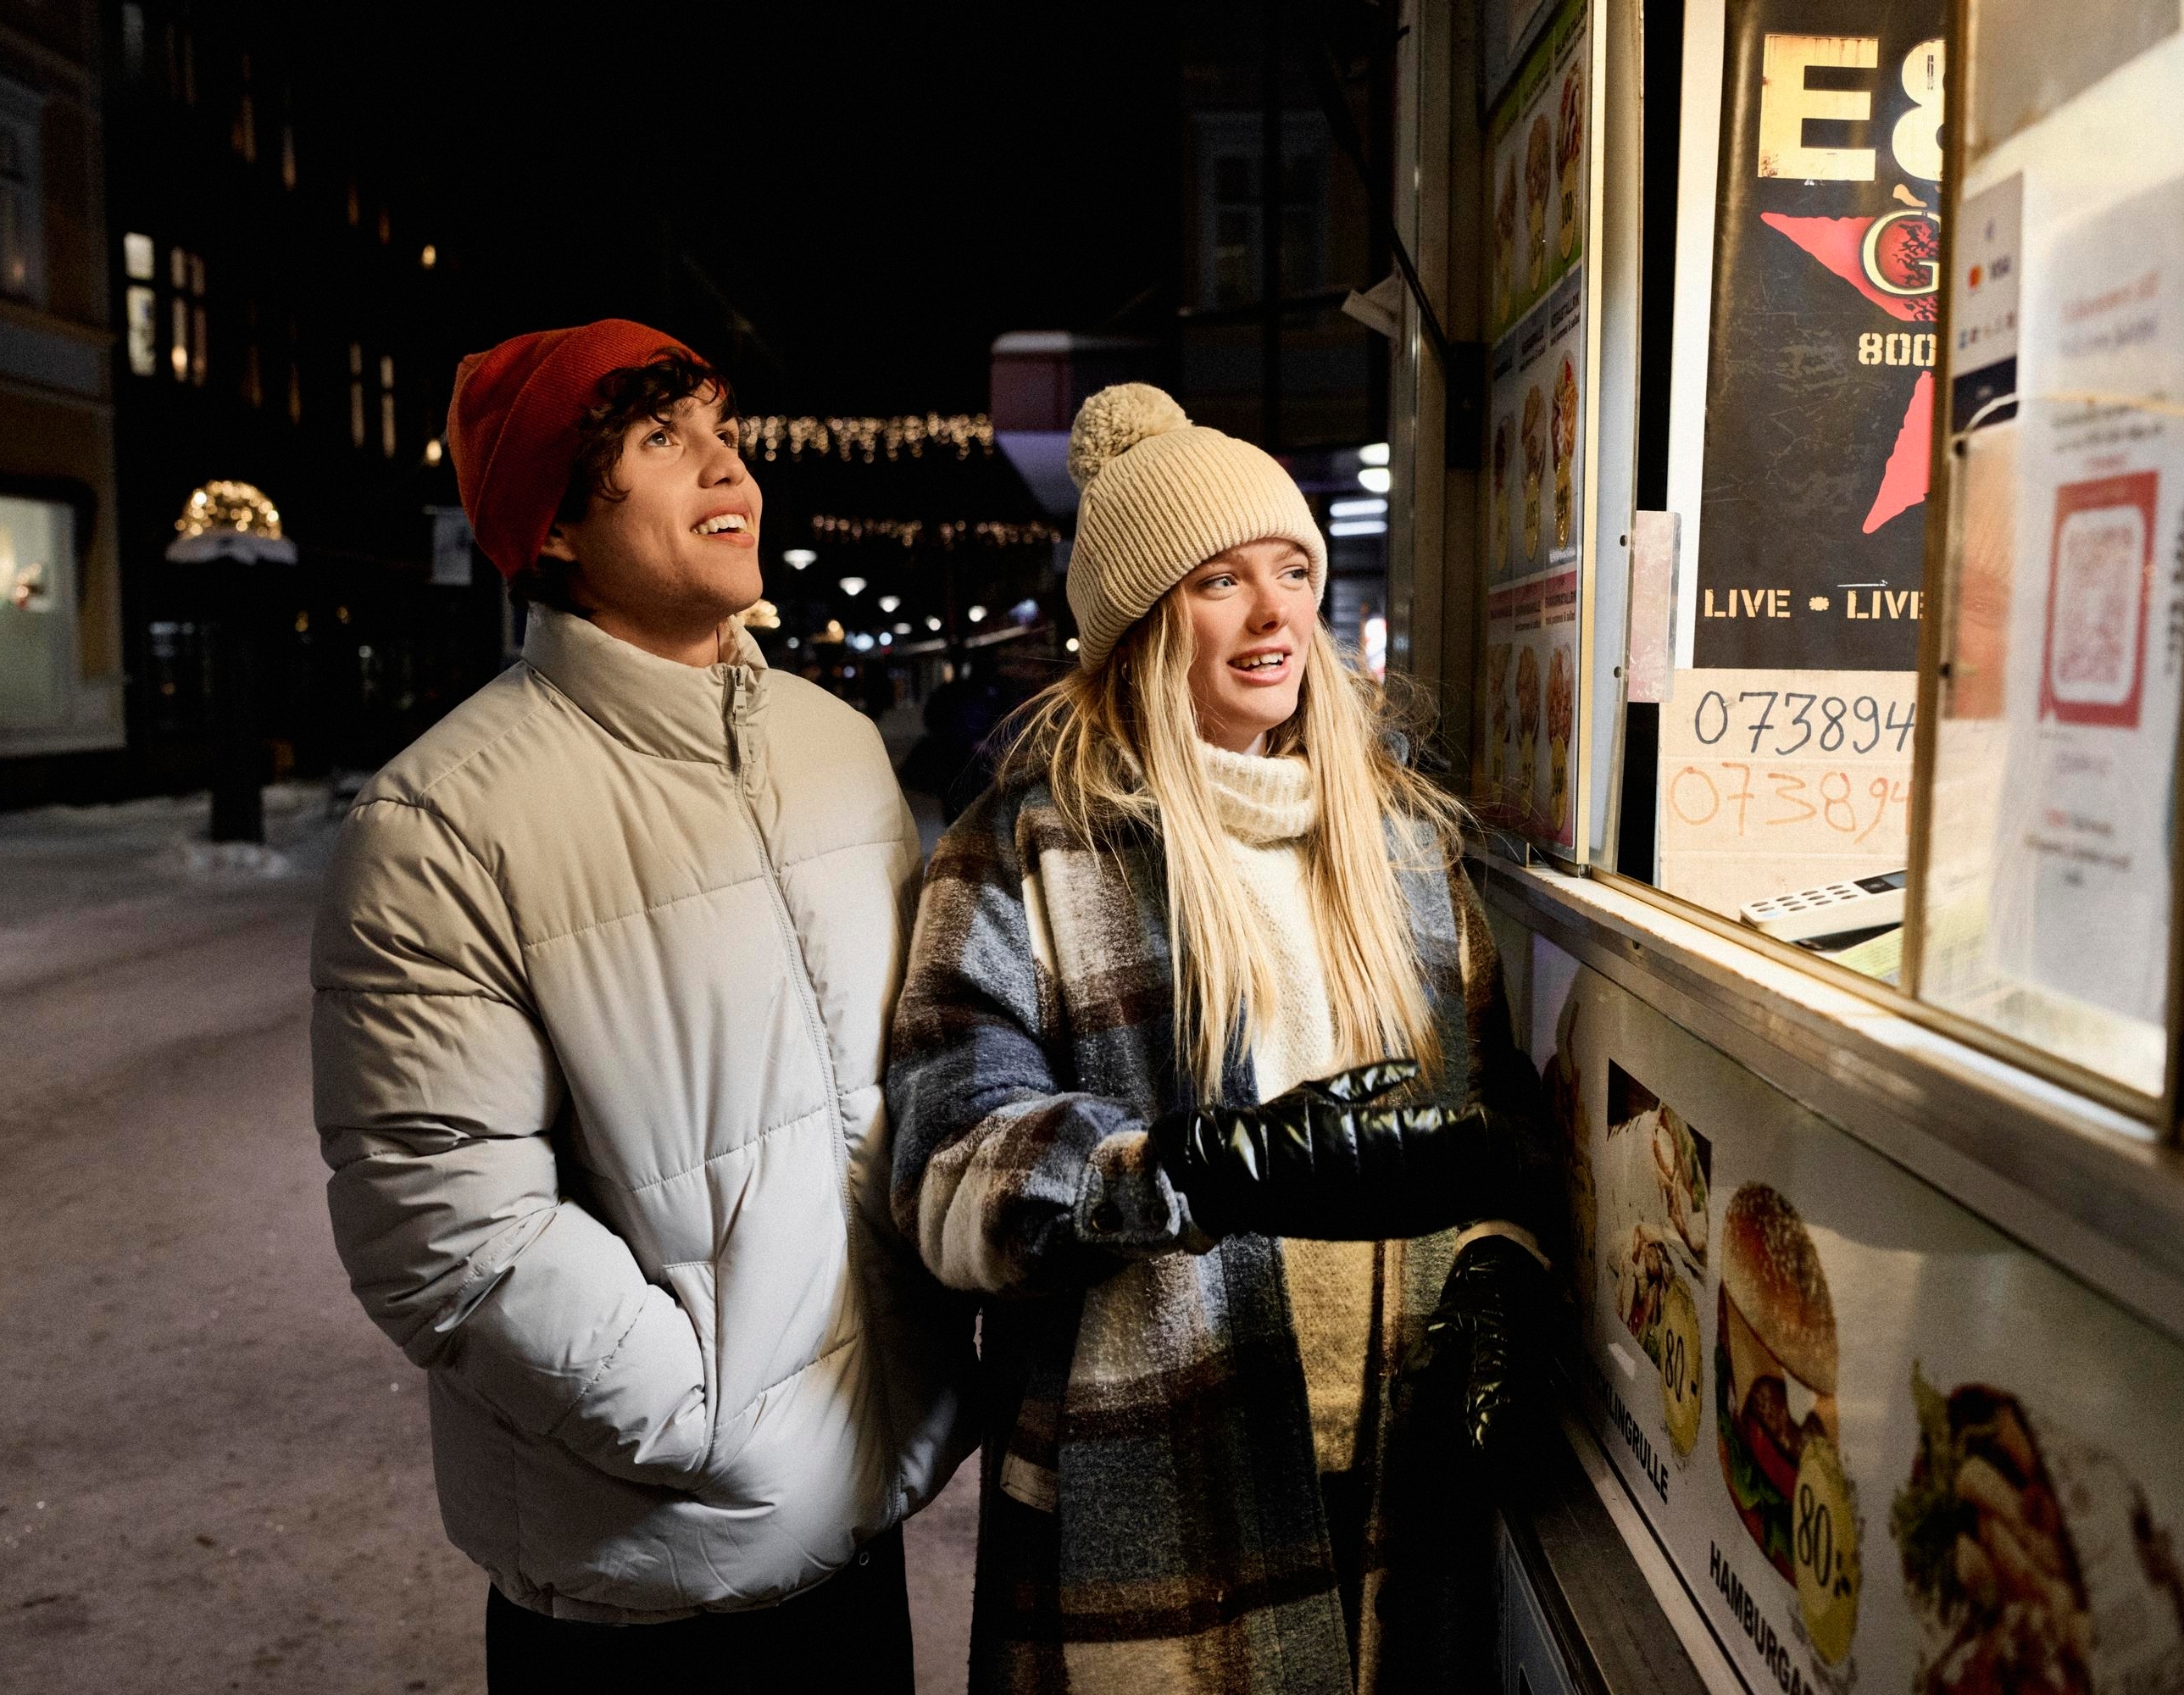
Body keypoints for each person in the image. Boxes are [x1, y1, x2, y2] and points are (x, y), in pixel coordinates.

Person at [310, 320, 975, 1689]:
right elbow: (440, 1223)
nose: (727, 466)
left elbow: (923, 1073)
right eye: (663, 441)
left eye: (725, 429)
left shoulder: (838, 753)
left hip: (864, 1522)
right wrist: (709, 1423)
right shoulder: (441, 820)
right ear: (551, 523)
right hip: (643, 1591)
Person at [887, 384, 1554, 1693]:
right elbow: (948, 1169)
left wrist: (1497, 1266)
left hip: (1395, 1474)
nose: (1274, 616)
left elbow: (1495, 1133)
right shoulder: (1027, 850)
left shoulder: (1406, 846)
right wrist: (1194, 1169)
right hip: (1158, 1479)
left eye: (1294, 569)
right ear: (1140, 624)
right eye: (1219, 581)